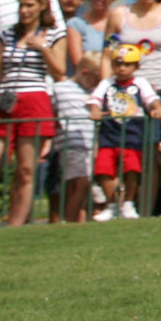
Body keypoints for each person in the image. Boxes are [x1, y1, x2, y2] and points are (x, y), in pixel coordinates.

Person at [0, 0, 68, 226]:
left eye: (30, 5)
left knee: (25, 169)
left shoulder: (54, 33)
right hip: (6, 100)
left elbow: (60, 70)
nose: (24, 10)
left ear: (41, 6)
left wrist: (43, 47)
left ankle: (16, 224)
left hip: (34, 98)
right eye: (22, 5)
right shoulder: (8, 34)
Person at [90, 44, 154, 220]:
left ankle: (128, 204)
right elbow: (95, 99)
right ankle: (111, 205)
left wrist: (158, 109)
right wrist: (95, 110)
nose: (122, 68)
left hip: (132, 134)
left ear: (136, 67)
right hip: (109, 134)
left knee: (132, 169)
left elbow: (152, 100)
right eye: (118, 64)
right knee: (103, 170)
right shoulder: (107, 83)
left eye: (127, 64)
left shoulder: (140, 83)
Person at [51, 51, 99, 225]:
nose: (97, 83)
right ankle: (70, 221)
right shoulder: (60, 88)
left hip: (89, 143)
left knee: (81, 186)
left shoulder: (94, 92)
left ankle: (77, 219)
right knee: (80, 183)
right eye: (96, 78)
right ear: (85, 72)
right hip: (71, 143)